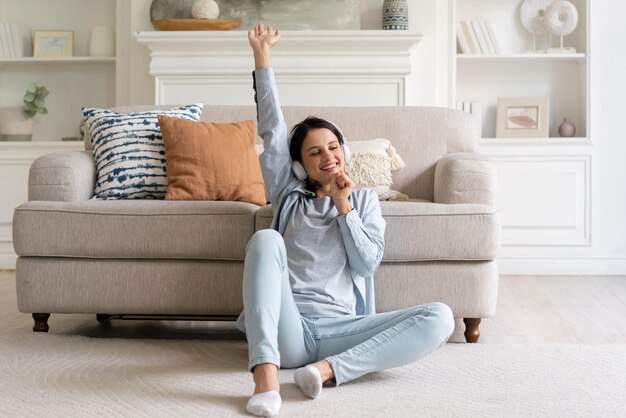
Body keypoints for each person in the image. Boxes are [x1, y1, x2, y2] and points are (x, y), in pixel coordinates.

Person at [239, 24, 455, 417]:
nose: (328, 157)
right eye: (315, 152)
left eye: (334, 147)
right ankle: (266, 377)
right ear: (299, 167)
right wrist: (262, 56)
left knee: (440, 316)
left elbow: (367, 264)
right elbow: (271, 128)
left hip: (345, 331)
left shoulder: (365, 202)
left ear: (346, 151)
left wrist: (345, 207)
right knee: (264, 240)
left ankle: (325, 372)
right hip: (293, 328)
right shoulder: (290, 196)